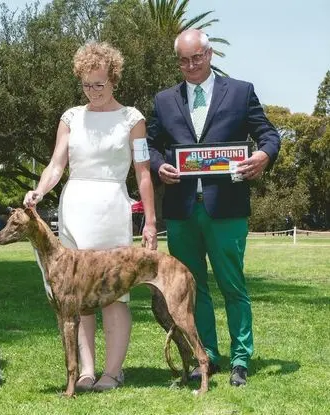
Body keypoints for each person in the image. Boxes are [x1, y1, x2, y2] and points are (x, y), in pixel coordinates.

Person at [147, 29, 281, 387]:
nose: (191, 66)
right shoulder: (164, 100)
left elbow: (269, 134)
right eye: (183, 60)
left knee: (233, 286)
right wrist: (158, 164)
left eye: (197, 58)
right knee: (192, 289)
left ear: (210, 55)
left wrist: (263, 155)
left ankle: (240, 359)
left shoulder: (240, 91)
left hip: (228, 209)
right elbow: (149, 143)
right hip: (182, 211)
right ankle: (206, 356)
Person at [23, 42, 157, 392]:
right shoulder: (70, 117)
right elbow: (56, 164)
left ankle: (113, 372)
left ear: (114, 79)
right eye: (86, 84)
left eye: (99, 84)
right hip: (74, 207)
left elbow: (143, 173)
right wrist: (39, 190)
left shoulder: (133, 119)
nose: (92, 91)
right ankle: (86, 370)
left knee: (115, 295)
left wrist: (152, 223)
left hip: (113, 206)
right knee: (76, 295)